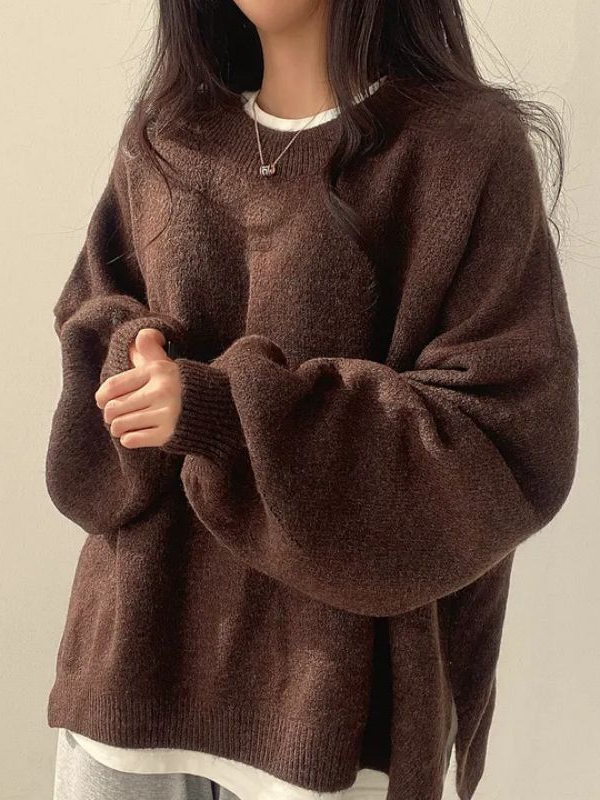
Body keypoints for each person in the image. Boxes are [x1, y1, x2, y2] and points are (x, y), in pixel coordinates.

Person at [45, 1, 579, 799]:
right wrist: (130, 358)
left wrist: (223, 414)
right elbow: (89, 327)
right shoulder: (165, 137)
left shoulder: (463, 148)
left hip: (332, 717)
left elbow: (506, 434)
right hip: (129, 678)